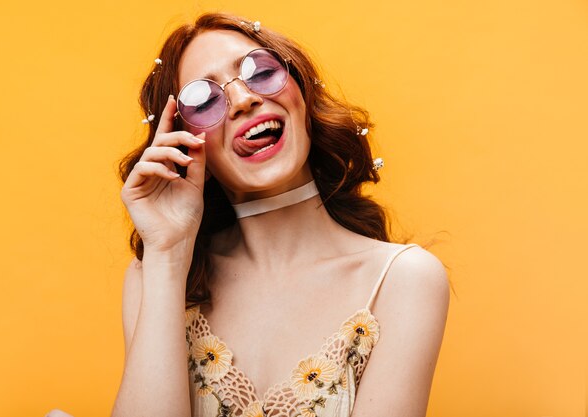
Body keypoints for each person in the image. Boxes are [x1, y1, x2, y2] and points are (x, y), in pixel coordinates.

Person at [111, 12, 449, 417]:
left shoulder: (402, 280)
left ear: (301, 91)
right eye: (204, 100)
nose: (242, 100)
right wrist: (167, 254)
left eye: (260, 71)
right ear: (183, 144)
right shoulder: (155, 277)